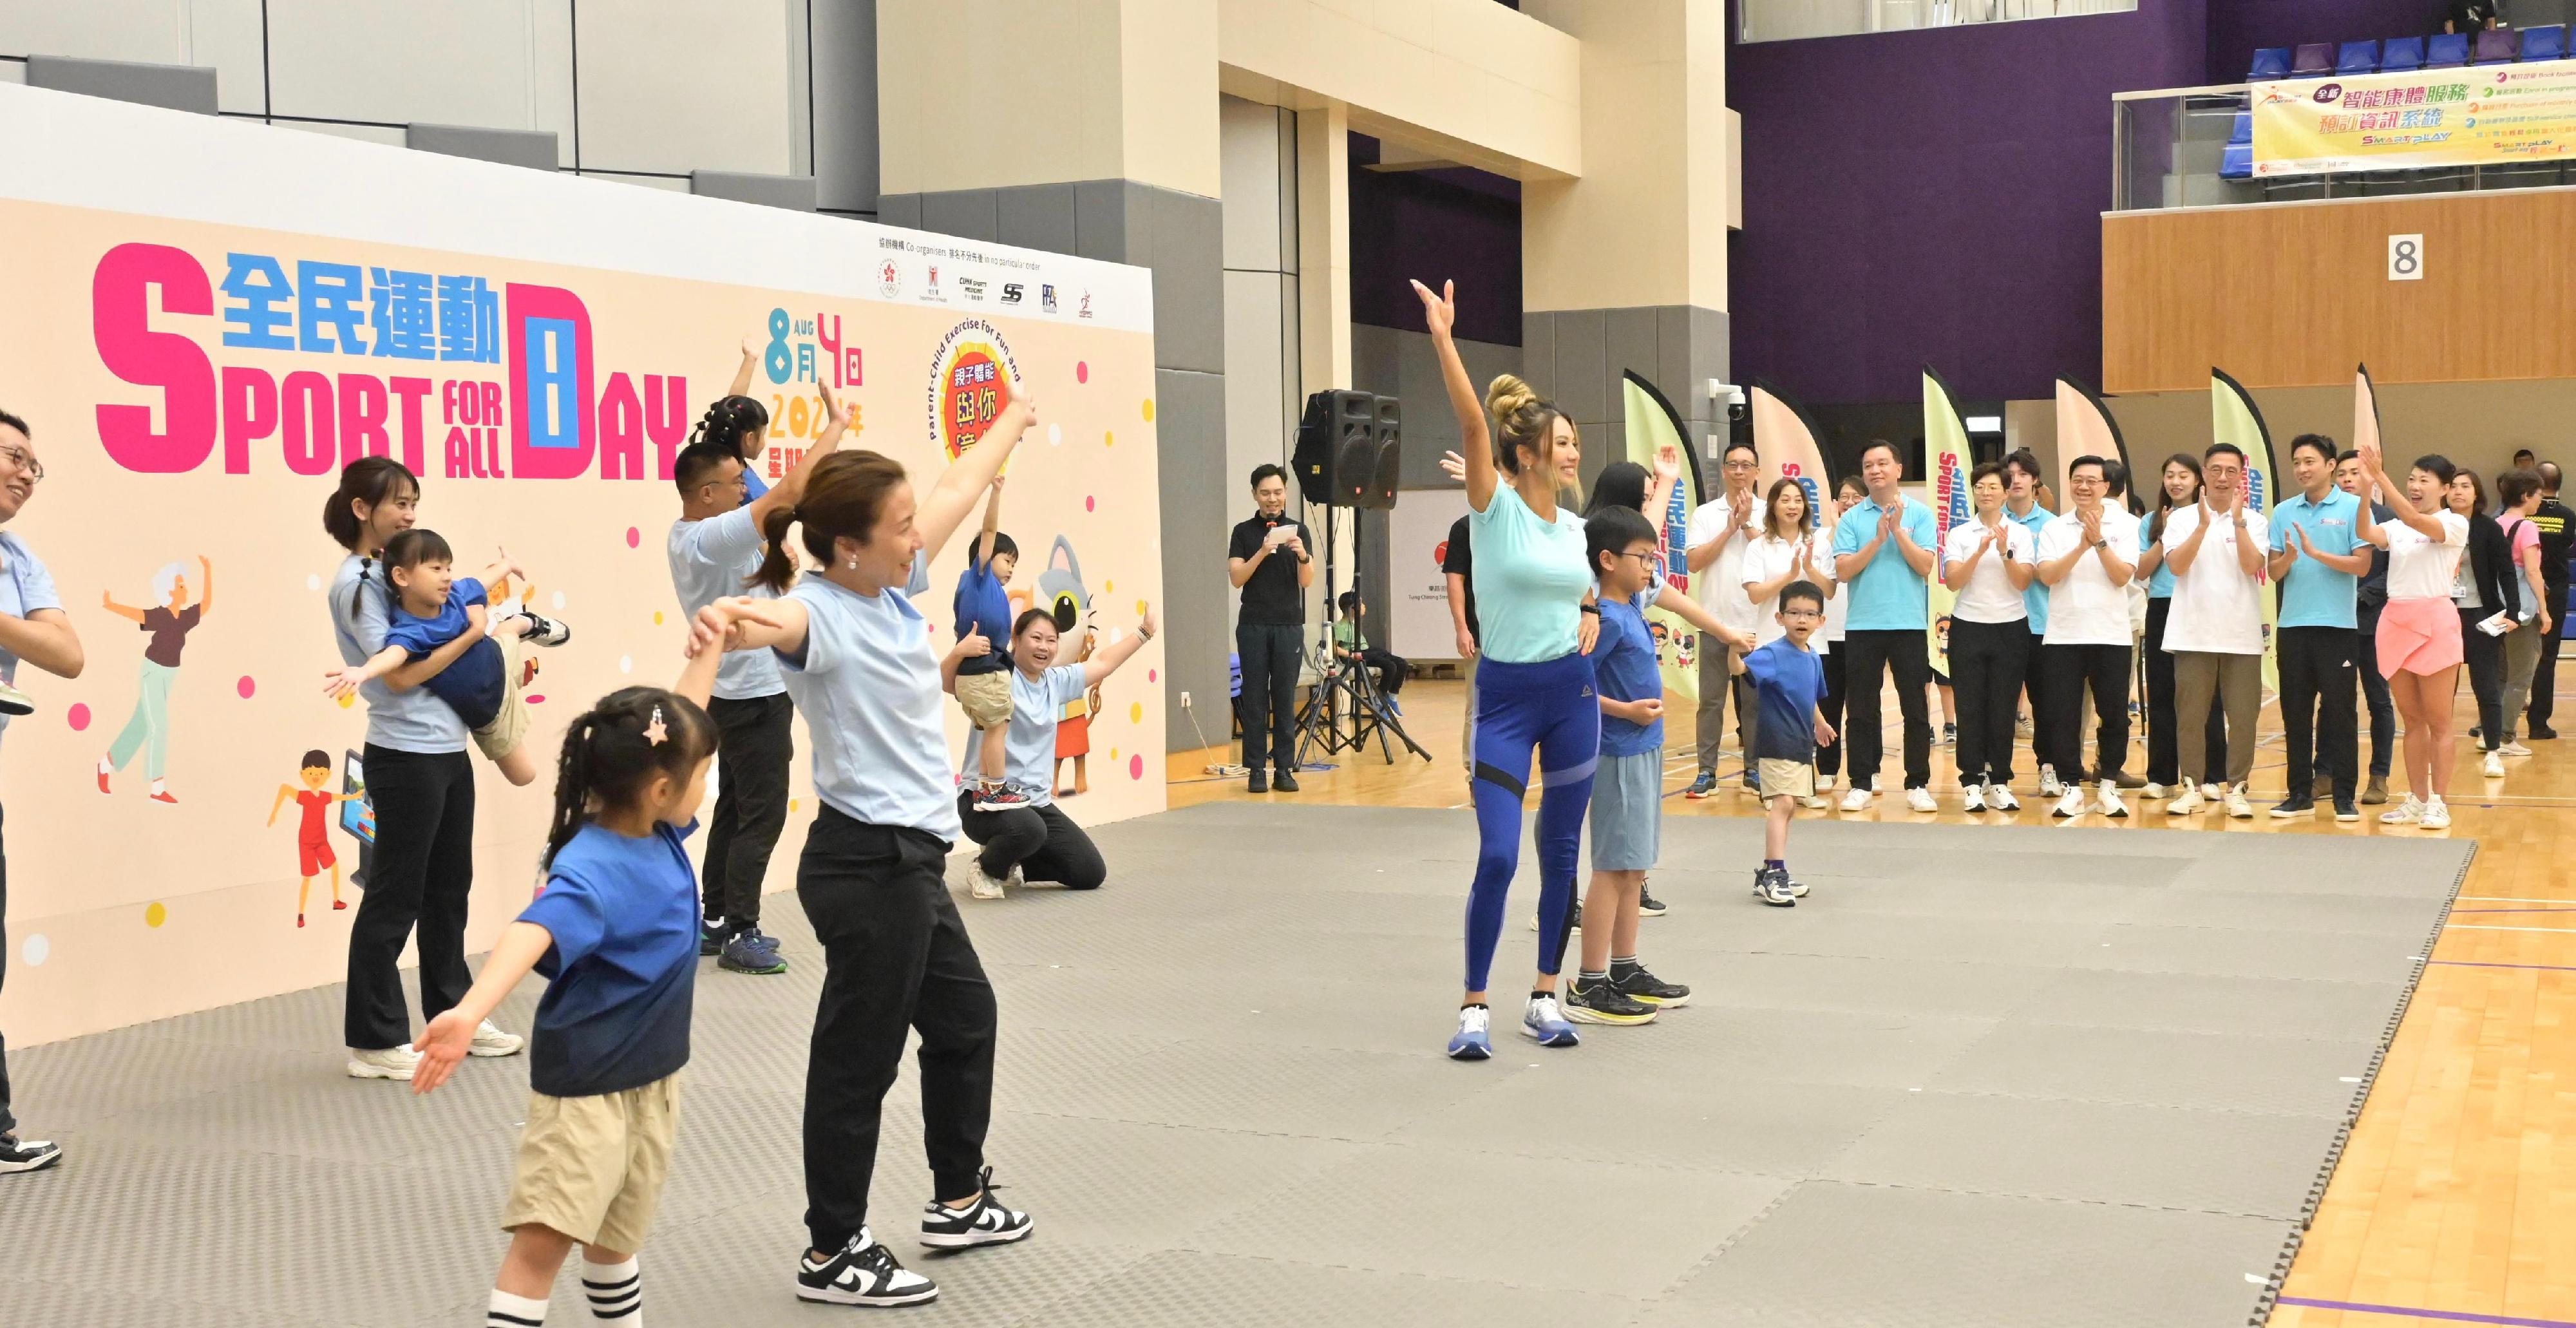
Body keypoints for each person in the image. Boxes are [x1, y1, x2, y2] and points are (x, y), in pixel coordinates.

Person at [712, 400, 1041, 1306]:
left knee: (966, 1016)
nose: (915, 539)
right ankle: (832, 1249)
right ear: (848, 545)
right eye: (899, 529)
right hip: (864, 867)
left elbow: (957, 484)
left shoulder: (888, 589)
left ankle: (960, 1197)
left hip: (910, 862)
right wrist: (730, 624)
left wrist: (1013, 416)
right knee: (859, 1058)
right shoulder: (818, 611)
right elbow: (764, 626)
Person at [421, 601, 745, 1328]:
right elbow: (531, 931)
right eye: (702, 775)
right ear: (662, 790)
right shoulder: (593, 866)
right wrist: (469, 1012)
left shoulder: (652, 822)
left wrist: (711, 649)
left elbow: (682, 722)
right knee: (545, 1243)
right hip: (588, 1089)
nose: (706, 785)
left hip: (651, 1078)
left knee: (614, 1234)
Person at [1413, 279, 1599, 1061]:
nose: (1572, 452)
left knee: (1561, 855)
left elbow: (1586, 586)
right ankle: (1474, 1005)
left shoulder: (1577, 528)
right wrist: (1444, 338)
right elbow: (1467, 419)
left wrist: (1590, 610)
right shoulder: (1492, 508)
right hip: (1506, 696)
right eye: (1560, 442)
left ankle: (1544, 994)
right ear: (1525, 454)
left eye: (1574, 444)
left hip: (1571, 694)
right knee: (1498, 852)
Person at [325, 457, 525, 1083]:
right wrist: (474, 634)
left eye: (415, 501)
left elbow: (455, 598)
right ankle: (375, 1037)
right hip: (404, 756)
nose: (410, 513)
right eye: (398, 503)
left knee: (447, 889)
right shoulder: (359, 584)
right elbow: (406, 669)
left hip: (444, 750)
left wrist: (483, 597)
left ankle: (452, 1013)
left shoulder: (398, 572)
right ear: (362, 509)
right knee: (395, 893)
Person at [667, 380, 850, 975]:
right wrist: (837, 425)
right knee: (762, 813)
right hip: (751, 695)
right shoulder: (706, 537)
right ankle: (742, 928)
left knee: (735, 809)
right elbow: (791, 492)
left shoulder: (705, 530)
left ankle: (717, 920)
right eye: (737, 482)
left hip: (737, 690)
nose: (748, 485)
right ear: (707, 492)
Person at [1562, 506, 1692, 1025]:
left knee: (1634, 868)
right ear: (1608, 560)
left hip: (1646, 748)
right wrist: (1627, 711)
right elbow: (1574, 686)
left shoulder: (1632, 603)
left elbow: (1638, 527)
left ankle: (1625, 967)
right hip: (1617, 751)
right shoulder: (1606, 621)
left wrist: (1659, 486)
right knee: (1613, 867)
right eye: (1643, 558)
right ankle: (1590, 983)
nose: (1651, 567)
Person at [323, 531, 569, 789]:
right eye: (436, 568)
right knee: (524, 776)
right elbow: (393, 655)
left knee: (505, 637)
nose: (447, 575)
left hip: (495, 655)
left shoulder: (454, 595)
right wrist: (363, 673)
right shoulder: (411, 630)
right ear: (401, 576)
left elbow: (480, 582)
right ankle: (515, 626)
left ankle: (520, 624)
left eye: (449, 567)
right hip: (486, 705)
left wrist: (507, 565)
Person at [0, 410, 82, 1175]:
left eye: (34, 464)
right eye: (14, 456)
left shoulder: (18, 556)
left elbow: (66, 653)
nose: (27, 473)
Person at [949, 602, 1155, 898]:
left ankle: (1009, 855)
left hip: (1033, 803)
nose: (1043, 647)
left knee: (1089, 872)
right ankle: (986, 867)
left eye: (1051, 640)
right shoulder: (997, 676)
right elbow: (949, 683)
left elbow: (1103, 663)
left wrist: (1144, 632)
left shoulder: (1055, 682)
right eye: (1035, 638)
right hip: (984, 801)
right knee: (1030, 829)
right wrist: (959, 652)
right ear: (1015, 640)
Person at [2155, 444, 2270, 821]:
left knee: (2242, 716)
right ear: (2204, 474)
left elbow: (2253, 565)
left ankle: (2237, 788)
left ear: (2241, 477)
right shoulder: (2182, 518)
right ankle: (2191, 787)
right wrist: (2204, 525)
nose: (2223, 477)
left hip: (2240, 635)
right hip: (2192, 633)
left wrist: (2236, 523)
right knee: (2190, 715)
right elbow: (2176, 566)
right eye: (2216, 470)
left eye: (2231, 471)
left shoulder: (2254, 520)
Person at [2267, 433, 2377, 823]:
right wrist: (2290, 559)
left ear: (2331, 465)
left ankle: (2344, 796)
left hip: (2338, 627)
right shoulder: (2283, 511)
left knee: (2341, 713)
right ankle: (2299, 794)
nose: (2302, 469)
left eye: (2310, 461)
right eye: (2297, 462)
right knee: (2294, 713)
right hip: (2293, 626)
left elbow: (2362, 566)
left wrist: (2317, 555)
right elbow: (2274, 571)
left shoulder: (2353, 508)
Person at [2360, 443, 2468, 828]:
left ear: (2444, 488)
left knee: (2439, 719)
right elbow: (2365, 531)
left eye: (2424, 480)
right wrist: (2365, 491)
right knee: (2412, 719)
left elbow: (2415, 519)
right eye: (2412, 479)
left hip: (2435, 623)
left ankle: (2440, 801)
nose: (2415, 485)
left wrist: (2382, 478)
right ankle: (2418, 799)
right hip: (2395, 621)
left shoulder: (2455, 523)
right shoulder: (2394, 526)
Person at [1830, 440, 1940, 814]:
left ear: (1898, 469)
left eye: (1882, 463)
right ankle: (1861, 781)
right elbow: (1843, 571)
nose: (1875, 470)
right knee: (1860, 708)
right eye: (1868, 465)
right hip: (1863, 625)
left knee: (1916, 708)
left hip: (1908, 624)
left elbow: (1925, 567)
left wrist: (1898, 531)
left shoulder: (1921, 515)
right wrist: (1878, 538)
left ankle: (1918, 783)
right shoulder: (1851, 518)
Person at [2035, 455, 2140, 819]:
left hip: (2111, 635)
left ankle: (2108, 785)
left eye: (2092, 481)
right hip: (2063, 636)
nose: (2084, 487)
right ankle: (2071, 787)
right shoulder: (2055, 528)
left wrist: (2099, 542)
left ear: (2105, 486)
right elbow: (2048, 575)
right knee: (2062, 715)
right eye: (2078, 480)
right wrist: (2081, 545)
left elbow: (2122, 576)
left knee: (2114, 715)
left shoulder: (2126, 525)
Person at [1732, 580, 1835, 906]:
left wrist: (1819, 723)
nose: (1801, 620)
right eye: (1793, 613)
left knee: (1789, 809)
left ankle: (1771, 871)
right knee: (1784, 803)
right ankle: (1775, 872)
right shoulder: (1773, 653)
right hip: (1776, 740)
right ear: (1780, 618)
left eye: (1809, 614)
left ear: (1821, 621)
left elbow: (1809, 697)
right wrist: (1734, 649)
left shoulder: (1813, 657)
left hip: (1802, 743)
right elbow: (1740, 670)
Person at [1941, 462, 2036, 811]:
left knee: (2002, 706)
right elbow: (1952, 581)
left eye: (1993, 486)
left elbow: (2023, 581)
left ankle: (1999, 780)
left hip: (2011, 626)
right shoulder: (1960, 534)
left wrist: (2003, 551)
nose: (1986, 492)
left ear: (2007, 490)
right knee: (1969, 706)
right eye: (1980, 486)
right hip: (1968, 625)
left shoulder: (2020, 533)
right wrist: (1979, 551)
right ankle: (1970, 781)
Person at [1741, 477, 1837, 809]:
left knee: (1805, 714)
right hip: (1771, 642)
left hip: (1811, 644)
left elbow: (1829, 591)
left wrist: (1808, 566)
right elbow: (1755, 593)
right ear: (1773, 505)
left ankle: (1802, 787)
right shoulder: (1759, 546)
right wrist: (1791, 574)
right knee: (1768, 717)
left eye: (1798, 500)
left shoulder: (1818, 543)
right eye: (1785, 500)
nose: (1792, 506)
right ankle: (1771, 788)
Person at [2137, 455, 2228, 801]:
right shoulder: (2149, 521)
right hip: (2162, 607)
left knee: (2207, 694)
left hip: (2202, 606)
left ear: (2197, 480)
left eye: (2183, 475)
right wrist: (2164, 534)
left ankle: (2210, 776)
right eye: (2170, 475)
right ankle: (2161, 775)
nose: (2176, 482)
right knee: (2161, 691)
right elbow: (2141, 571)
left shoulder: (2211, 518)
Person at [1684, 439, 1767, 797]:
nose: (1739, 471)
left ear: (1757, 472)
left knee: (1754, 702)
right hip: (1714, 623)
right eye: (1733, 464)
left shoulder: (1769, 510)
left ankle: (1755, 769)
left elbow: (1772, 555)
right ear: (1724, 470)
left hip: (1757, 624)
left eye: (1746, 465)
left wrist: (1748, 524)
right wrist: (1730, 527)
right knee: (1711, 702)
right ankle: (1707, 771)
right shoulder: (1706, 514)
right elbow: (1694, 562)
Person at [95, 556, 211, 803]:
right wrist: (111, 604)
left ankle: (106, 764)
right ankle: (157, 786)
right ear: (169, 590)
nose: (186, 589)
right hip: (153, 672)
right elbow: (136, 613)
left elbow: (206, 603)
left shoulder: (186, 618)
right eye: (181, 586)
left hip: (170, 674)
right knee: (159, 725)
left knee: (141, 725)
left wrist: (208, 571)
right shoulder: (161, 616)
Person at [1228, 464, 1313, 793]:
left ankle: (1284, 769)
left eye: (1278, 492)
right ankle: (1256, 770)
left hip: (1289, 625)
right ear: (1254, 494)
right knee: (1254, 697)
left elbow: (1306, 581)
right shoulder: (1243, 532)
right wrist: (1262, 551)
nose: (1272, 499)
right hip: (1253, 625)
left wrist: (1303, 556)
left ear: (1286, 493)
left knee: (1284, 696)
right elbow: (1237, 578)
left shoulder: (1299, 531)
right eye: (1265, 493)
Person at [952, 476, 1030, 808]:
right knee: (998, 728)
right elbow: (988, 532)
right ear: (985, 557)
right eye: (1007, 560)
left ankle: (986, 788)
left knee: (991, 729)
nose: (1011, 568)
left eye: (1014, 564)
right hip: (982, 673)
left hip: (979, 673)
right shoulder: (979, 577)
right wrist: (996, 493)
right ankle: (997, 789)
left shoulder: (989, 589)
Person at [2335, 451, 2401, 804]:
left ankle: (2379, 777)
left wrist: (2363, 595)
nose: (2348, 479)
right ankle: (2325, 774)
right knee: (2332, 703)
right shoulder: (2330, 516)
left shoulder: (2388, 519)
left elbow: (2396, 571)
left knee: (2379, 701)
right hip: (2334, 623)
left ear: (2371, 478)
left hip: (2374, 624)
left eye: (2355, 473)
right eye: (2342, 473)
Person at [2446, 468, 2519, 780]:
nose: (2459, 492)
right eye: (2453, 486)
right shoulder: (2437, 525)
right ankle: (2440, 748)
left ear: (2477, 494)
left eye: (2466, 486)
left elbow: (2506, 572)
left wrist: (2513, 613)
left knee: (2486, 687)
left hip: (2480, 616)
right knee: (2442, 689)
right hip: (2443, 615)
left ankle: (2492, 750)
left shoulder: (2488, 529)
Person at [2000, 451, 2056, 783]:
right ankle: (1997, 772)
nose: (2016, 479)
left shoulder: (2052, 525)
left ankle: (2047, 767)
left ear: (2035, 480)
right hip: (2003, 625)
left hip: (2042, 624)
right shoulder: (1995, 523)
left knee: (2046, 704)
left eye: (2023, 474)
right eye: (2010, 474)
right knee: (2001, 703)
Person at [267, 750, 363, 927]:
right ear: (303, 774)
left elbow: (340, 797)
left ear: (328, 774)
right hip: (307, 844)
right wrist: (274, 812)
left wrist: (355, 796)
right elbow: (284, 789)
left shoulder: (324, 796)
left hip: (322, 842)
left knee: (335, 867)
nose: (316, 777)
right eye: (312, 773)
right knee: (308, 878)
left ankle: (336, 901)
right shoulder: (304, 797)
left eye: (320, 773)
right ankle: (301, 914)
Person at [2496, 468, 2552, 757]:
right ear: (2526, 496)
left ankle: (2489, 731)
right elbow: (2532, 570)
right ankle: (2504, 737)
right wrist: (2544, 611)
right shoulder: (2526, 527)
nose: (2540, 501)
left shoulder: (2493, 524)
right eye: (2538, 495)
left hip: (2495, 609)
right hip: (2521, 611)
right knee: (2520, 676)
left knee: (2500, 676)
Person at [1815, 475, 1863, 790]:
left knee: (1862, 709)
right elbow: (1826, 576)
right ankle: (1828, 770)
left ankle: (1867, 772)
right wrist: (1835, 527)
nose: (1848, 502)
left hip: (1861, 631)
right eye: (1844, 497)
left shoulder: (1872, 531)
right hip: (1827, 635)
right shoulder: (1821, 536)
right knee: (1829, 706)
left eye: (1856, 497)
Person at [699, 336, 777, 504]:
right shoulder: (737, 484)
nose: (764, 442)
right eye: (762, 435)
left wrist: (750, 359)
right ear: (749, 438)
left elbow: (732, 409)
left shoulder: (725, 463)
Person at [2528, 462, 2570, 739]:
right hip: (2554, 590)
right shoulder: (2569, 516)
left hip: (2523, 588)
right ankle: (2539, 723)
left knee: (2507, 657)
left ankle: (2491, 723)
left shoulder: (2523, 515)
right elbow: (2566, 545)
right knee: (2548, 657)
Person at [1443, 511, 1480, 775]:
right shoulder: (1465, 527)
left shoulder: (1523, 521)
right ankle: (1475, 775)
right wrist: (1462, 628)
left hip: (1519, 634)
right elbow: (1455, 579)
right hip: (1480, 634)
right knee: (1478, 705)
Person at [1332, 591, 1408, 710]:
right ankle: (1379, 699)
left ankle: (1392, 697)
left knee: (1402, 663)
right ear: (1353, 608)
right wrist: (1350, 655)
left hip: (1366, 651)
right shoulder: (1341, 627)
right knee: (1390, 666)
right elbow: (1334, 648)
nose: (1364, 606)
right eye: (1361, 604)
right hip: (1355, 656)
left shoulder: (1353, 625)